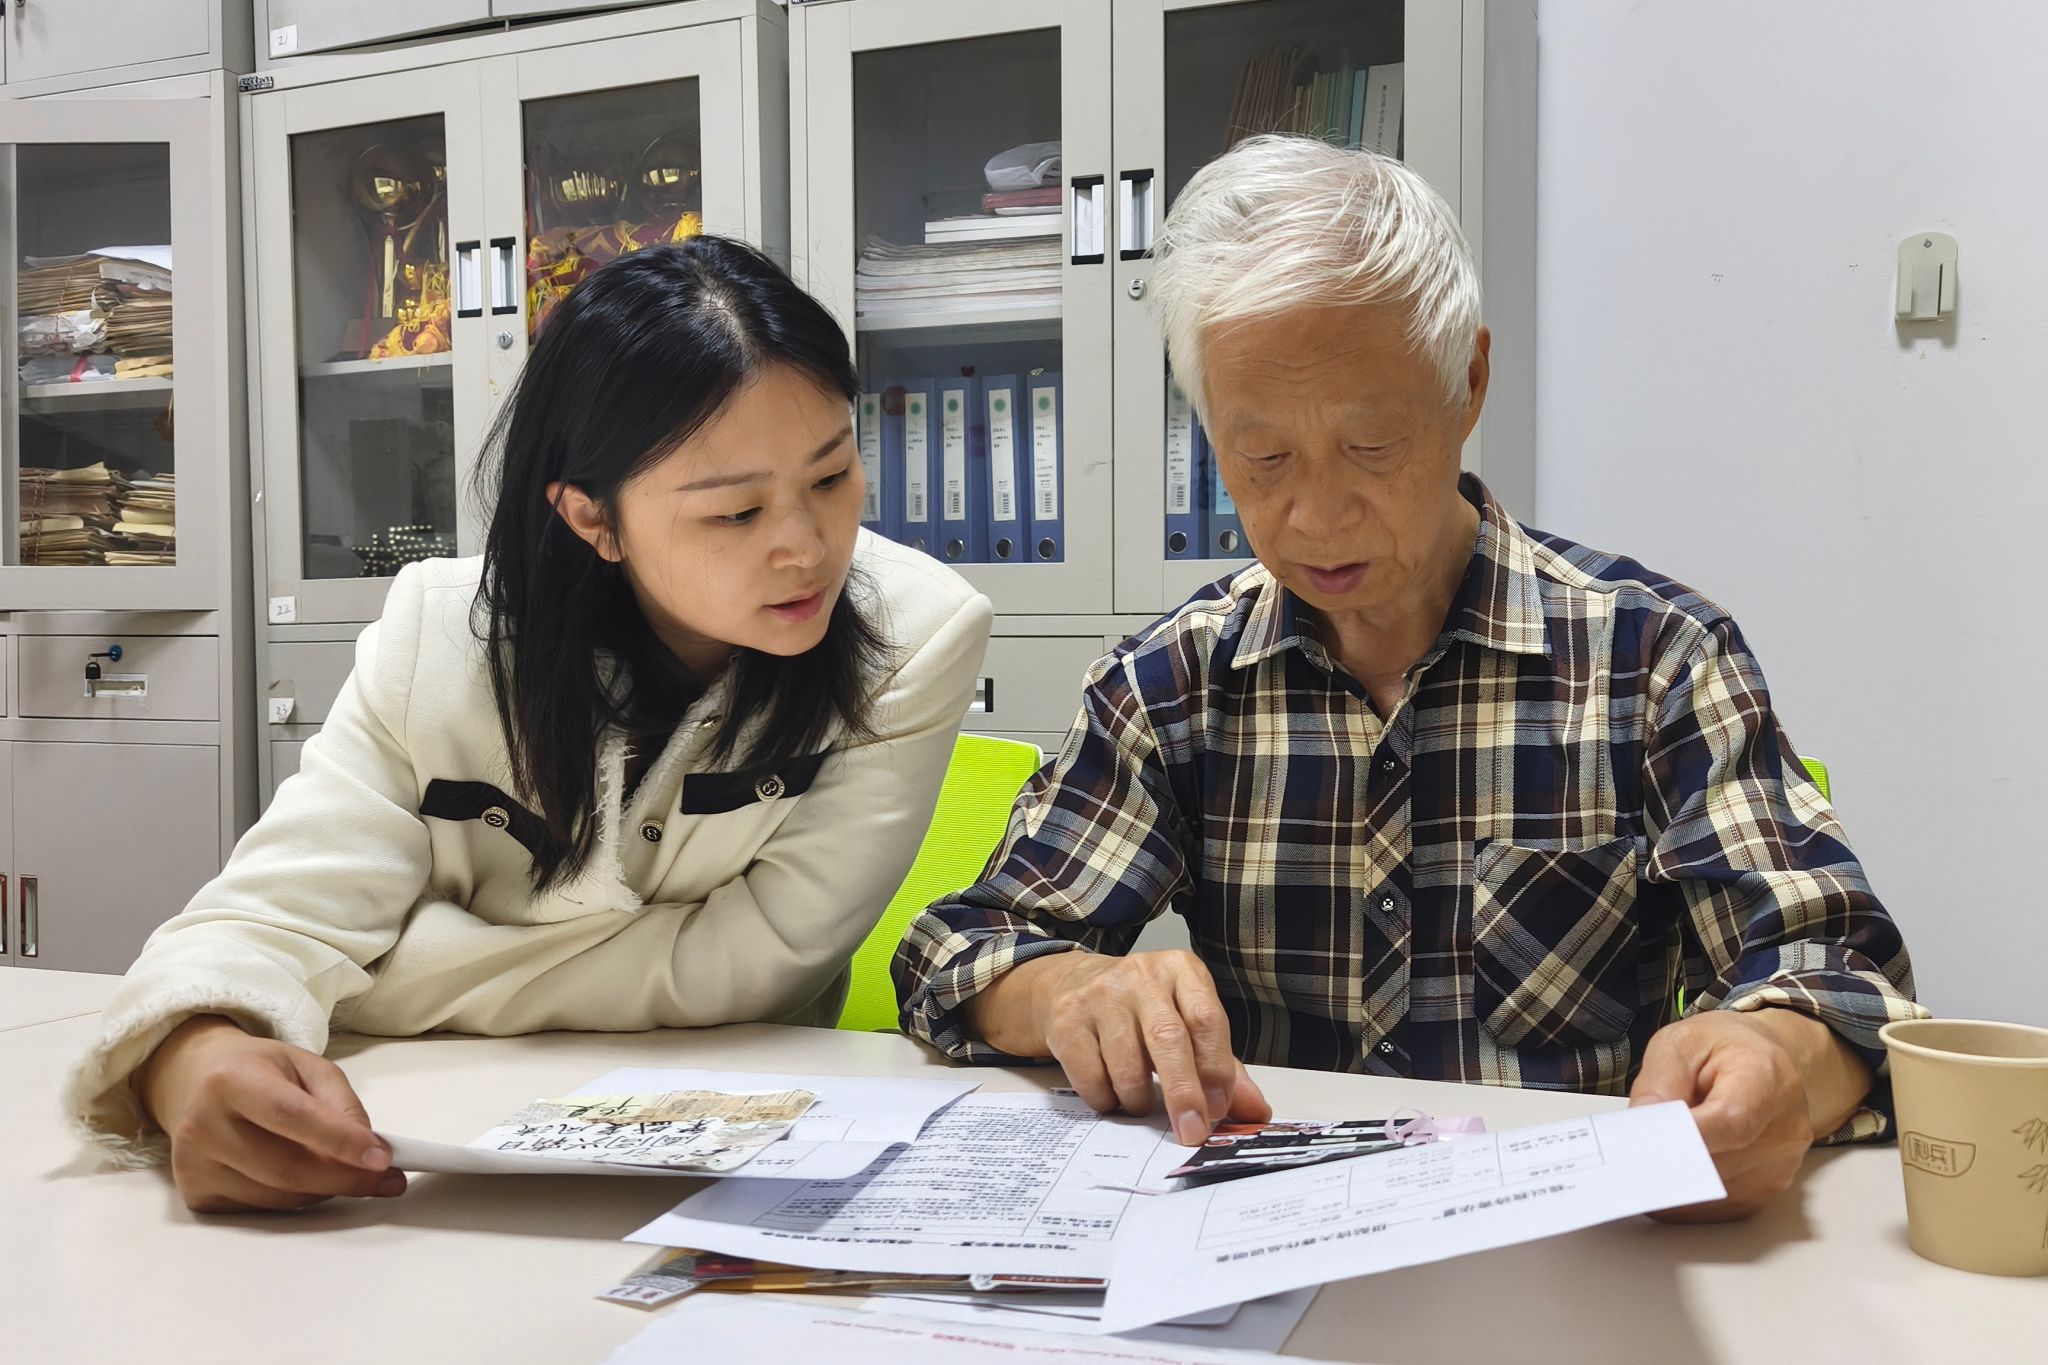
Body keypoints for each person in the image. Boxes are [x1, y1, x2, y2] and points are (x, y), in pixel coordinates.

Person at [893, 136, 1924, 1221]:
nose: (1315, 516)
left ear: (1467, 382)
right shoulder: (1174, 685)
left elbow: (1839, 970)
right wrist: (1070, 987)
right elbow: (959, 949)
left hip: (1562, 1246)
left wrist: (1776, 1058)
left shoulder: (1651, 660)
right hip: (1270, 1234)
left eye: (1372, 445)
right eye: (1262, 459)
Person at [64, 237, 993, 1213]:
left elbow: (756, 966)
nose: (806, 547)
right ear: (593, 518)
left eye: (831, 476)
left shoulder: (915, 636)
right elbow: (266, 918)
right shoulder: (438, 638)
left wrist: (376, 973)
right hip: (434, 1159)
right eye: (735, 513)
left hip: (732, 1161)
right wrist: (190, 1052)